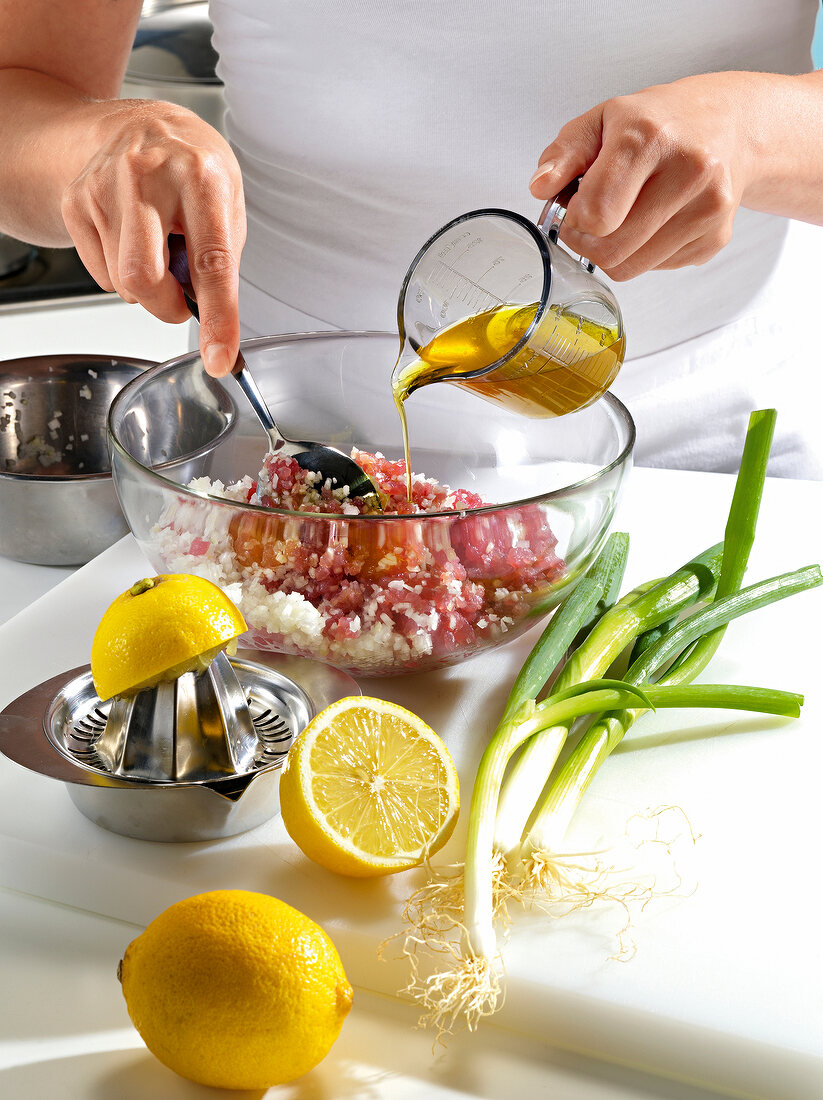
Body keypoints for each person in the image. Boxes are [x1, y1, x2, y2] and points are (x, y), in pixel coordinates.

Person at [1, 0, 821, 478]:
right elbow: (19, 91)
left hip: (702, 453)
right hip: (288, 444)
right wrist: (97, 148)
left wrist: (758, 133)